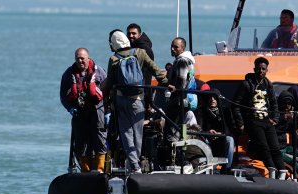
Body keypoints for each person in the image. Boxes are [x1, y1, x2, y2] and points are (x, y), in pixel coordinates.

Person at [102, 29, 169, 174]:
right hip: (138, 99)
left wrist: (105, 94)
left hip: (121, 100)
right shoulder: (140, 53)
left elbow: (110, 82)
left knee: (126, 133)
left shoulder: (113, 59)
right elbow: (155, 70)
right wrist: (166, 83)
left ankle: (134, 165)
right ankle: (136, 162)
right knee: (138, 132)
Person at [232, 57, 286, 178]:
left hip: (267, 120)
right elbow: (235, 105)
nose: (261, 71)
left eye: (263, 69)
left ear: (267, 70)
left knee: (275, 147)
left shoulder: (268, 85)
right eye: (259, 69)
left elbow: (274, 103)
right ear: (254, 69)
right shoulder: (246, 84)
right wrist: (240, 122)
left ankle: (282, 172)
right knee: (264, 147)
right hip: (253, 120)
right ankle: (272, 171)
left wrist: (275, 118)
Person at [59, 48, 104, 172]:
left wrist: (108, 111)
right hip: (79, 111)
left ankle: (100, 168)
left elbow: (108, 91)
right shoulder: (68, 74)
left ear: (88, 58)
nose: (80, 61)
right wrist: (70, 108)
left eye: (82, 58)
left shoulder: (99, 71)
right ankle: (85, 169)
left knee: (100, 138)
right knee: (80, 141)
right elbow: (63, 96)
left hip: (97, 110)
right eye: (77, 58)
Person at [165, 37, 197, 148]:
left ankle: (175, 158)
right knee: (178, 130)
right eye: (172, 46)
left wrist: (171, 87)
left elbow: (181, 82)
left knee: (172, 132)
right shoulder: (188, 60)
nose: (172, 49)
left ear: (182, 48)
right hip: (183, 101)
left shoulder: (181, 61)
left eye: (176, 47)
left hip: (178, 101)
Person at [195, 89, 235, 169]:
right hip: (206, 140)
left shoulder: (225, 111)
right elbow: (198, 128)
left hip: (221, 140)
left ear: (218, 99)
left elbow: (231, 129)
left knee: (230, 140)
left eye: (214, 97)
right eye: (210, 97)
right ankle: (208, 166)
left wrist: (220, 134)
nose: (212, 99)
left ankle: (227, 169)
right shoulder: (201, 111)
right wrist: (207, 133)